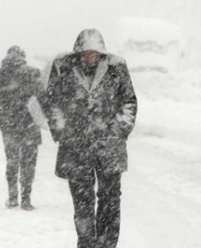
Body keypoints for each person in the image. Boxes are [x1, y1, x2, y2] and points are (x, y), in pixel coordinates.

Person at [43, 29, 137, 248]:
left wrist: (118, 128)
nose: (89, 58)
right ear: (77, 53)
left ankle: (106, 244)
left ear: (102, 53)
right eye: (85, 54)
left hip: (109, 147)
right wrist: (63, 129)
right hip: (76, 147)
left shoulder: (116, 68)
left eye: (94, 54)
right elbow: (52, 103)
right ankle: (86, 243)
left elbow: (129, 102)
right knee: (82, 203)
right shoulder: (63, 68)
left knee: (110, 201)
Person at [0, 46, 43, 211]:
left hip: (9, 127)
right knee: (29, 163)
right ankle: (26, 199)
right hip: (30, 125)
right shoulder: (33, 73)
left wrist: (0, 122)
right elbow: (43, 98)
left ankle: (12, 197)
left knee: (12, 162)